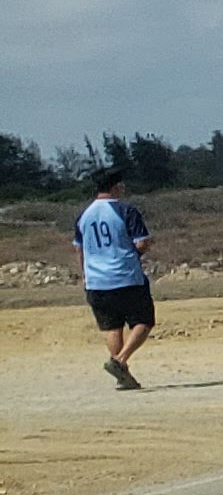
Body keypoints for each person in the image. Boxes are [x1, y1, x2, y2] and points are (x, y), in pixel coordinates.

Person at [77, 168, 154, 391]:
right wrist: (136, 253)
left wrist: (86, 274)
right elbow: (141, 242)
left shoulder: (84, 214)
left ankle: (122, 375)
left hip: (96, 280)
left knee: (112, 327)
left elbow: (79, 249)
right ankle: (120, 360)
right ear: (115, 187)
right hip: (125, 276)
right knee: (144, 321)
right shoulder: (125, 210)